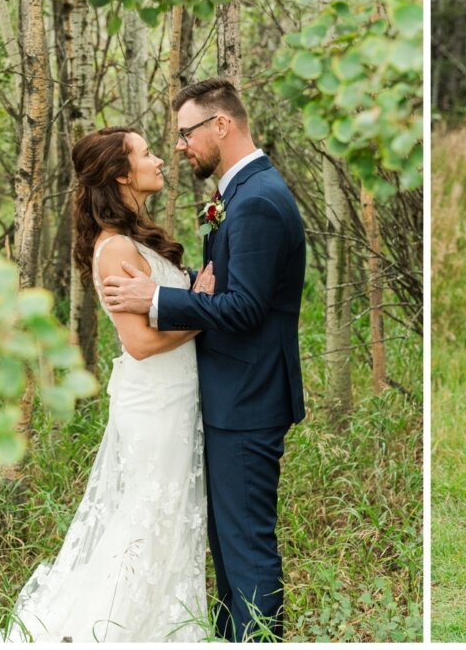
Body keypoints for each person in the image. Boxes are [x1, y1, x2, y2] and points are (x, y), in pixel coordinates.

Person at [0, 127, 216, 642]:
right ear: (121, 174)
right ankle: (110, 632)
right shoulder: (114, 249)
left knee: (169, 517)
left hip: (175, 397)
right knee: (146, 520)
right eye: (147, 154)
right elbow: (138, 342)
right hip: (154, 403)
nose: (160, 159)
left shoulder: (135, 237)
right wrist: (206, 311)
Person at [102, 78, 306, 641]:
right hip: (231, 396)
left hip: (248, 400)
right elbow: (230, 288)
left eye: (187, 133)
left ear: (222, 125)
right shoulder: (240, 195)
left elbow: (243, 307)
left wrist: (160, 299)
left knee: (245, 547)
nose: (181, 146)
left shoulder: (259, 200)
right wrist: (191, 285)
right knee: (228, 548)